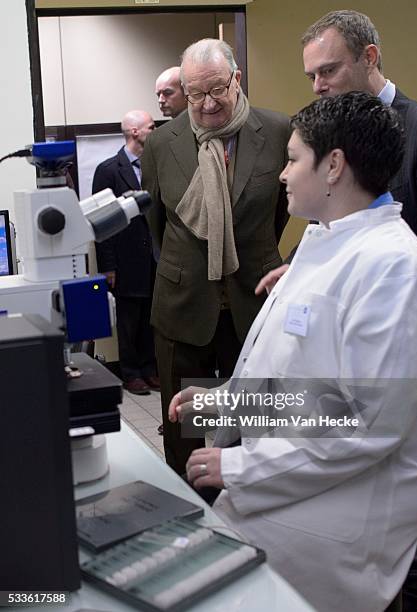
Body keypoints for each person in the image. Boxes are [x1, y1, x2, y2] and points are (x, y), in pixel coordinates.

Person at [169, 92, 417, 612]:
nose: (283, 175)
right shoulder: (324, 244)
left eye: (292, 159)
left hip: (332, 521)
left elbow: (366, 422)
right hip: (289, 483)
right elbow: (302, 386)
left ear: (333, 165)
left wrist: (240, 467)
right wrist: (230, 403)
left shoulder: (394, 268)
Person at [141, 39, 291, 474]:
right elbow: (158, 223)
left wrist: (245, 255)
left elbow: (279, 214)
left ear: (236, 79)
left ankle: (244, 504)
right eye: (194, 94)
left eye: (216, 90)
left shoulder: (277, 131)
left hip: (253, 300)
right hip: (182, 304)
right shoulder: (162, 142)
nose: (206, 105)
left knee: (252, 421)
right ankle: (192, 511)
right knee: (183, 426)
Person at [256, 9, 417, 296]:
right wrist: (298, 266)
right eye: (311, 76)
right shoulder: (329, 130)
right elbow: (326, 223)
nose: (317, 87)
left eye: (328, 71)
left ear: (369, 58)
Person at [93, 110, 159, 395]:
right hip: (125, 259)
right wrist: (108, 267)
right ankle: (131, 373)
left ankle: (149, 369)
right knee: (129, 321)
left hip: (155, 258)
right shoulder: (109, 170)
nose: (155, 130)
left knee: (151, 319)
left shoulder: (154, 166)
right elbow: (101, 223)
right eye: (151, 127)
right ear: (135, 131)